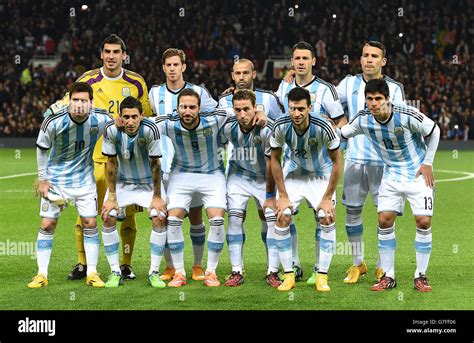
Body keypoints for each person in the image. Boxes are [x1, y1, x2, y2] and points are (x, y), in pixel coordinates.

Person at [44, 34, 152, 281]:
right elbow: (66, 102)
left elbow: (145, 115)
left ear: (124, 55)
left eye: (116, 52)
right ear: (101, 55)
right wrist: (49, 113)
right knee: (88, 213)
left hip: (126, 159)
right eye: (107, 52)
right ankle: (83, 263)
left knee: (125, 214)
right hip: (94, 158)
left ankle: (125, 264)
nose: (111, 56)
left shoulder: (136, 82)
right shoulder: (88, 80)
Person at [154, 88, 266, 287]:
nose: (187, 111)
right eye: (183, 107)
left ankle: (211, 272)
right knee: (172, 219)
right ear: (177, 108)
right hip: (181, 174)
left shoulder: (215, 117)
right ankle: (179, 272)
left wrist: (260, 112)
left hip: (212, 174)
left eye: (192, 107)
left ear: (199, 108)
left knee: (216, 219)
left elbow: (242, 110)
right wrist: (120, 120)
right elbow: (143, 122)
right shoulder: (169, 122)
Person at [337, 79, 439, 292]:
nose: (374, 104)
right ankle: (388, 276)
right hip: (391, 175)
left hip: (417, 174)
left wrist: (428, 162)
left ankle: (420, 275)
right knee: (384, 221)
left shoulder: (406, 114)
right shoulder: (364, 120)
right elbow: (342, 133)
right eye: (370, 99)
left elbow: (434, 130)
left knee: (423, 221)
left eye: (378, 99)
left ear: (387, 99)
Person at [335, 41, 406, 284]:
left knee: (384, 216)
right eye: (365, 54)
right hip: (355, 159)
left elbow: (402, 123)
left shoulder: (395, 89)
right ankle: (358, 264)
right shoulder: (348, 83)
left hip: (385, 164)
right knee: (352, 213)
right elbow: (329, 105)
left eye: (374, 56)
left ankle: (383, 267)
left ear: (383, 61)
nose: (368, 59)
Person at [28, 82, 110, 288]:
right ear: (69, 101)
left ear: (91, 102)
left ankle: (92, 272)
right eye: (75, 100)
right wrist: (42, 179)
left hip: (84, 181)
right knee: (47, 224)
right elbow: (41, 148)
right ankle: (41, 274)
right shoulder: (54, 121)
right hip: (56, 180)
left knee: (90, 223)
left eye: (84, 100)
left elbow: (119, 123)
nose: (79, 105)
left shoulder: (100, 118)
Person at [276, 41, 345, 281]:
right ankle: (292, 266)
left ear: (314, 61)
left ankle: (320, 270)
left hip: (321, 166)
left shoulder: (327, 90)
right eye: (297, 58)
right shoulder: (283, 88)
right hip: (293, 165)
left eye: (306, 58)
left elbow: (342, 124)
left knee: (323, 216)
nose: (301, 62)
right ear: (292, 62)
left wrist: (327, 133)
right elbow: (278, 122)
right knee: (283, 214)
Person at [149, 48, 217, 281]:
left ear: (183, 67)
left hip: (192, 166)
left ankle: (197, 265)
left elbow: (214, 116)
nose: (172, 69)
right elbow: (152, 125)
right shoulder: (154, 92)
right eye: (168, 65)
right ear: (163, 67)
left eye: (176, 64)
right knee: (166, 217)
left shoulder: (199, 92)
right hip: (163, 165)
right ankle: (170, 266)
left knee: (196, 216)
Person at [270, 87, 342, 292]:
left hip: (320, 174)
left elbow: (338, 162)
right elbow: (274, 160)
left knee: (326, 216)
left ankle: (322, 275)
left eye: (301, 109)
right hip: (293, 174)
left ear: (310, 107)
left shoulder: (324, 127)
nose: (296, 114)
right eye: (292, 109)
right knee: (282, 215)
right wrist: (282, 195)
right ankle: (289, 275)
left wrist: (327, 197)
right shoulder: (281, 125)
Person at [218, 58, 284, 275]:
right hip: (238, 172)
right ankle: (237, 271)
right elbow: (216, 131)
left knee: (271, 217)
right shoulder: (224, 101)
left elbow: (284, 126)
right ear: (232, 75)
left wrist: (267, 118)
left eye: (246, 73)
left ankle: (275, 269)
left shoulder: (270, 98)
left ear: (254, 74)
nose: (242, 77)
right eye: (238, 73)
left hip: (266, 174)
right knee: (235, 217)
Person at [101, 96, 167, 288]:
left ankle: (154, 272)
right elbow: (111, 164)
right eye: (126, 117)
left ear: (142, 116)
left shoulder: (150, 129)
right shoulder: (110, 129)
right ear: (120, 116)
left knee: (159, 217)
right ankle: (115, 272)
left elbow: (156, 164)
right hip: (123, 182)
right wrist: (112, 196)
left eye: (134, 117)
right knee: (108, 216)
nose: (130, 122)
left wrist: (156, 197)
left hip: (148, 182)